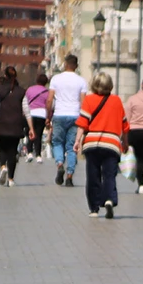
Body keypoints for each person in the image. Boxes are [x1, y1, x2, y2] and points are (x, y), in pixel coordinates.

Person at [74, 72, 129, 219]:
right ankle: (109, 199)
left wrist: (77, 141)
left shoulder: (89, 100)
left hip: (92, 143)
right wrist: (126, 143)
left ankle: (94, 208)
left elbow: (83, 122)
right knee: (109, 174)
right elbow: (124, 125)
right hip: (112, 144)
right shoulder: (117, 101)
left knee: (93, 176)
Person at [47, 54, 88, 187]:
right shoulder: (81, 81)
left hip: (59, 115)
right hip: (75, 116)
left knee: (57, 142)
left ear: (65, 64)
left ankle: (60, 164)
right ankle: (69, 176)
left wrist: (48, 116)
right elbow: (83, 102)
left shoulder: (56, 79)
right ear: (76, 66)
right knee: (72, 147)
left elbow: (49, 100)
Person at [0, 66, 29, 187]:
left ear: (5, 76)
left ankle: (3, 167)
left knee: (1, 148)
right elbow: (26, 110)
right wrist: (31, 127)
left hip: (2, 124)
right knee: (13, 151)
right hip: (16, 125)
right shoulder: (21, 91)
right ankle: (11, 179)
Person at [24, 73, 50, 164]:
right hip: (42, 114)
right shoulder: (47, 92)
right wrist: (48, 117)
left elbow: (25, 102)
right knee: (38, 135)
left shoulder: (30, 89)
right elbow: (49, 104)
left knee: (29, 134)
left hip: (30, 113)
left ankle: (29, 152)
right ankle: (38, 155)